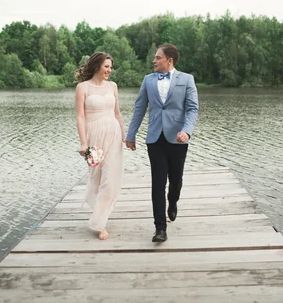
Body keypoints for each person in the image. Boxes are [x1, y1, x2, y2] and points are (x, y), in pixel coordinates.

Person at [125, 44, 199, 242]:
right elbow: (139, 108)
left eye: (158, 57)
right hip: (155, 139)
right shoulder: (148, 80)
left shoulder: (187, 79)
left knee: (176, 181)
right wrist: (130, 135)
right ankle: (160, 228)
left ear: (169, 60)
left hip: (178, 139)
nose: (154, 61)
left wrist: (187, 131)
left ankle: (172, 201)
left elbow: (192, 109)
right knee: (158, 183)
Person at [75, 52, 125, 240]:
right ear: (97, 66)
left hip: (113, 134)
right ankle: (99, 212)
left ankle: (100, 223)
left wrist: (125, 135)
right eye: (106, 66)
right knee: (96, 178)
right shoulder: (82, 88)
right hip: (93, 135)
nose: (109, 70)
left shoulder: (113, 86)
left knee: (110, 180)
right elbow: (80, 116)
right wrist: (83, 142)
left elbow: (117, 113)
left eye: (111, 67)